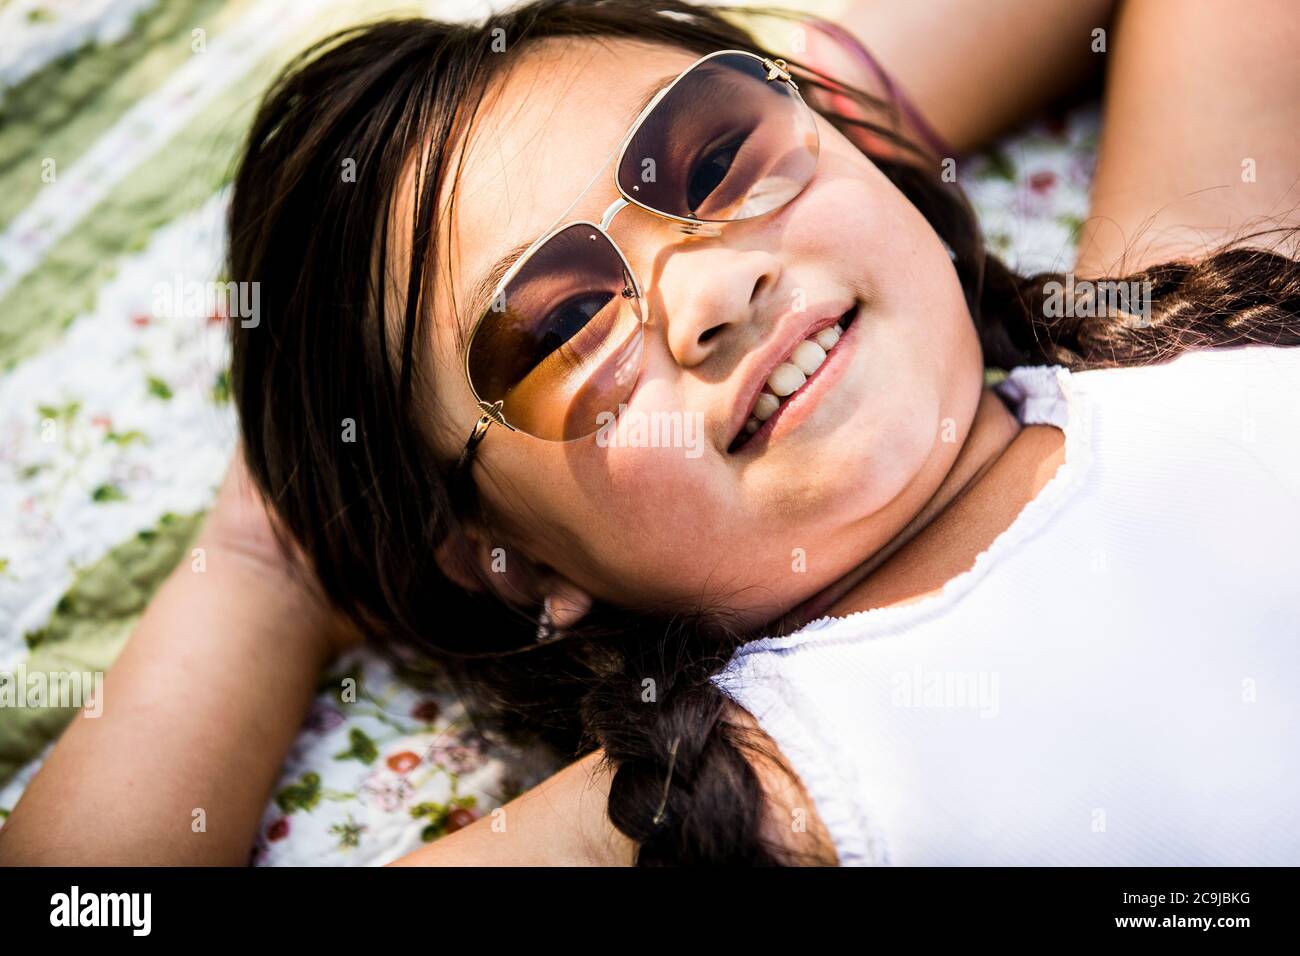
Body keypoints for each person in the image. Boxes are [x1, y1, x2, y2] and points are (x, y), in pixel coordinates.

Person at [3, 0, 1297, 866]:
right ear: (509, 560)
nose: (711, 292)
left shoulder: (1194, 307)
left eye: (713, 158)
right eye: (561, 330)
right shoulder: (727, 801)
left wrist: (821, 141)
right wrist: (270, 561)